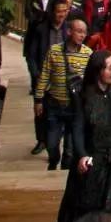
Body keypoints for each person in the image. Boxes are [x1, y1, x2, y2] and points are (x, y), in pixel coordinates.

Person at [58, 52, 111, 222]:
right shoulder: (84, 95)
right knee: (87, 208)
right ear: (97, 71)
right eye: (109, 67)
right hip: (93, 158)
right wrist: (82, 154)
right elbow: (77, 127)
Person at [36, 14, 91, 172]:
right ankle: (53, 160)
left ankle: (63, 176)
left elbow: (91, 81)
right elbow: (45, 75)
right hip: (55, 104)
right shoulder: (54, 51)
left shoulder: (88, 54)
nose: (81, 35)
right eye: (78, 31)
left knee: (70, 149)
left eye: (84, 32)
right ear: (69, 31)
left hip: (76, 107)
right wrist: (38, 100)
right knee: (52, 143)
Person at [23, 0, 61, 156]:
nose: (60, 15)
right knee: (40, 109)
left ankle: (55, 145)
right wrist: (36, 74)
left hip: (60, 78)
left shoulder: (69, 30)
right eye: (58, 11)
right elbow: (31, 54)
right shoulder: (41, 29)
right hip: (42, 75)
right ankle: (41, 140)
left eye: (64, 12)